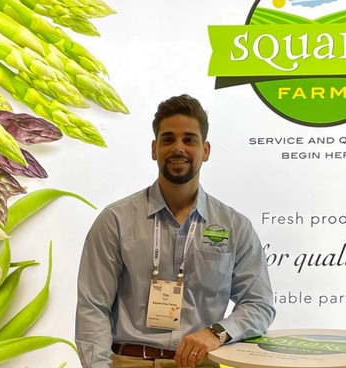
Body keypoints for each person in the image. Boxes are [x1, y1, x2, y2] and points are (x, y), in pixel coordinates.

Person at [75, 94, 275, 368]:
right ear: (154, 149)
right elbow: (92, 307)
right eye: (168, 139)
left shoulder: (235, 227)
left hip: (198, 364)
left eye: (189, 140)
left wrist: (216, 332)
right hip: (129, 361)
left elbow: (259, 305)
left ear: (205, 150)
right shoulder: (115, 220)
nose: (178, 148)